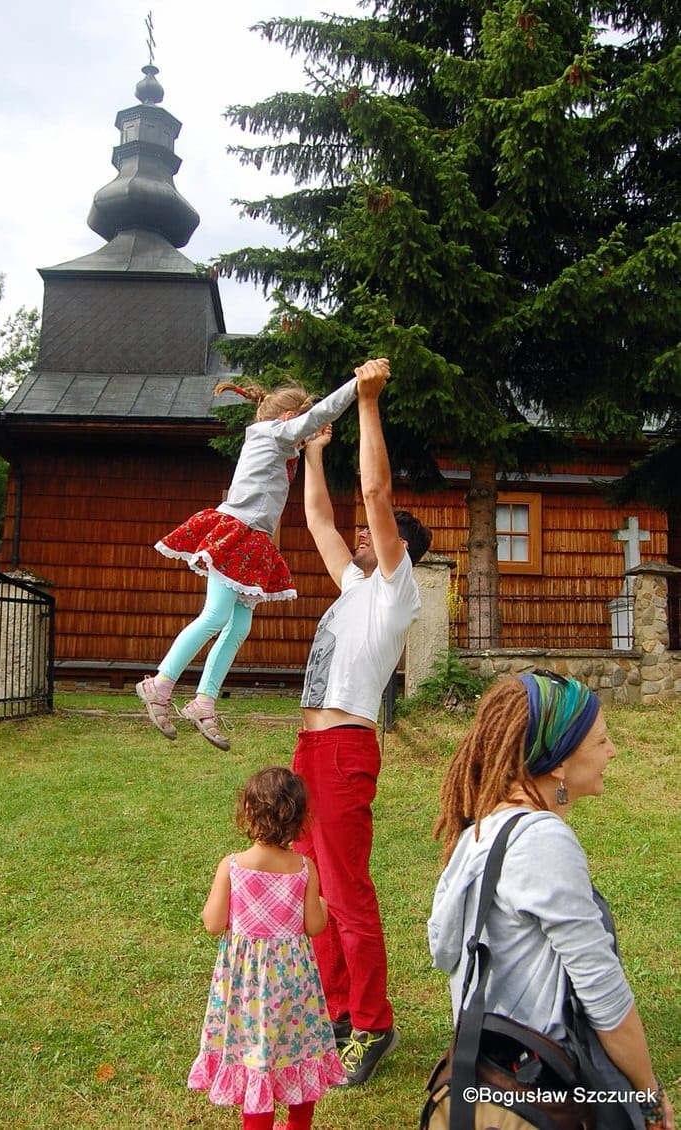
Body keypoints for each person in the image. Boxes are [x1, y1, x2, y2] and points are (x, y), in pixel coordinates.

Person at [428, 671, 675, 1130]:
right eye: (601, 741)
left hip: (491, 1079)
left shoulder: (482, 830)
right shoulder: (543, 841)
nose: (613, 751)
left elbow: (443, 951)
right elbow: (605, 998)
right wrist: (649, 1096)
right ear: (559, 762)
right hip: (542, 1092)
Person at [291, 357, 432, 1086]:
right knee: (315, 888)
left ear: (397, 546)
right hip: (310, 749)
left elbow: (375, 489)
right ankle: (337, 1009)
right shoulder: (353, 588)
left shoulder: (392, 590)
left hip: (345, 748)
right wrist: (315, 447)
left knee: (347, 893)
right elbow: (318, 517)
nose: (360, 531)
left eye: (374, 531)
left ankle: (374, 1025)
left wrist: (368, 403)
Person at [136, 372, 358, 749]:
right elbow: (319, 416)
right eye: (301, 427)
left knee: (238, 626)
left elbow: (303, 442)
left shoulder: (281, 446)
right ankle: (159, 685)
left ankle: (203, 701)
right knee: (215, 615)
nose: (304, 437)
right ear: (289, 418)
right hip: (236, 533)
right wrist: (358, 385)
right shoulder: (271, 433)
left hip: (255, 543)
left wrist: (314, 446)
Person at [188, 766, 346, 1130]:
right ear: (300, 819)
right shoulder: (304, 868)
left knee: (257, 1056)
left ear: (246, 810)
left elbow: (212, 923)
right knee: (298, 1051)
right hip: (294, 987)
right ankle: (297, 1126)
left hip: (249, 990)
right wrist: (320, 907)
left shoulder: (232, 867)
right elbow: (315, 927)